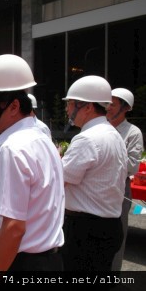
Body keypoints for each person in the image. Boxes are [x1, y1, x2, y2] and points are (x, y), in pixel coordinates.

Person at [0, 54, 64, 271]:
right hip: (49, 261)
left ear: (13, 106)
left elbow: (13, 228)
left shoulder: (13, 148)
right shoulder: (42, 138)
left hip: (23, 264)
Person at [61, 75, 127, 272]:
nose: (67, 109)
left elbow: (59, 181)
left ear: (87, 107)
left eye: (71, 104)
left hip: (85, 231)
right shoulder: (113, 134)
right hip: (108, 227)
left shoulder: (87, 139)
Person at [106, 88, 144, 271]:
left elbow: (133, 166)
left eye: (113, 104)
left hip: (121, 187)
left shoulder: (133, 132)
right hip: (98, 185)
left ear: (126, 108)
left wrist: (108, 155)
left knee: (117, 232)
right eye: (107, 103)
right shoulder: (100, 127)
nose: (108, 108)